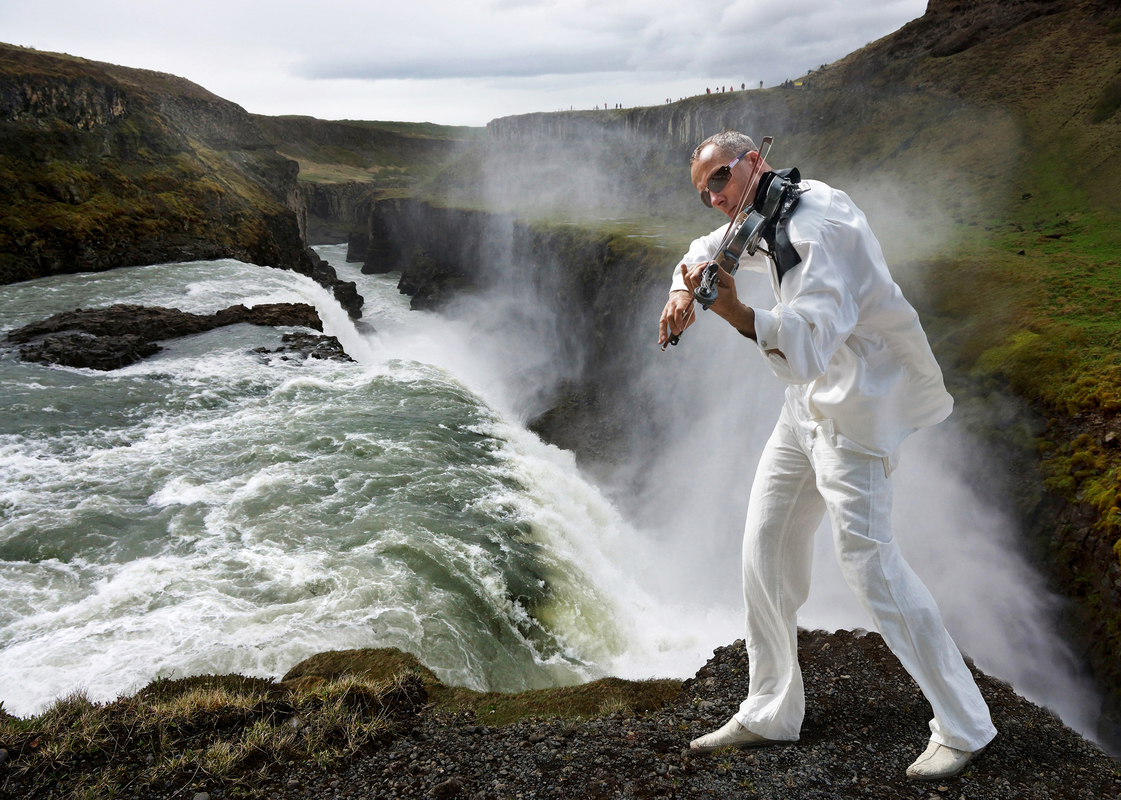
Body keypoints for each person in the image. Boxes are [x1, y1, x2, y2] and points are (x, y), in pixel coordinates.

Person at [657, 130, 997, 781]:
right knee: (764, 539)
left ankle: (964, 725)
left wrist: (732, 310)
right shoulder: (759, 212)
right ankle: (770, 711)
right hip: (806, 405)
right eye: (705, 192)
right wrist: (681, 290)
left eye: (721, 178)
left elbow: (807, 343)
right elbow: (704, 251)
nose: (715, 197)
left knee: (868, 562)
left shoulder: (823, 223)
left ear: (754, 160)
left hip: (857, 406)